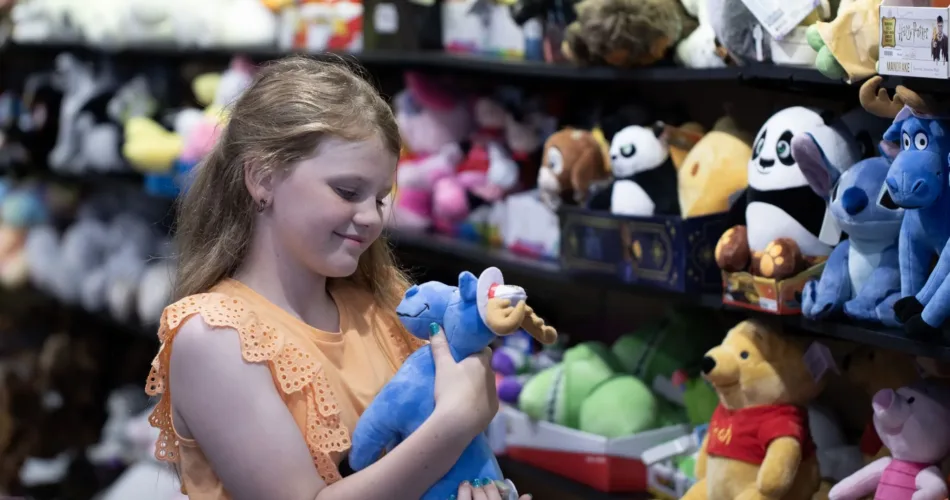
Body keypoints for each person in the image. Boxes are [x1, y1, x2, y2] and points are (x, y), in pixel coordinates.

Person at [144, 55, 529, 500]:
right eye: (347, 191)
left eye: (382, 198)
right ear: (262, 176)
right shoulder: (213, 337)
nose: (370, 217)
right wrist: (454, 423)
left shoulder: (387, 303)